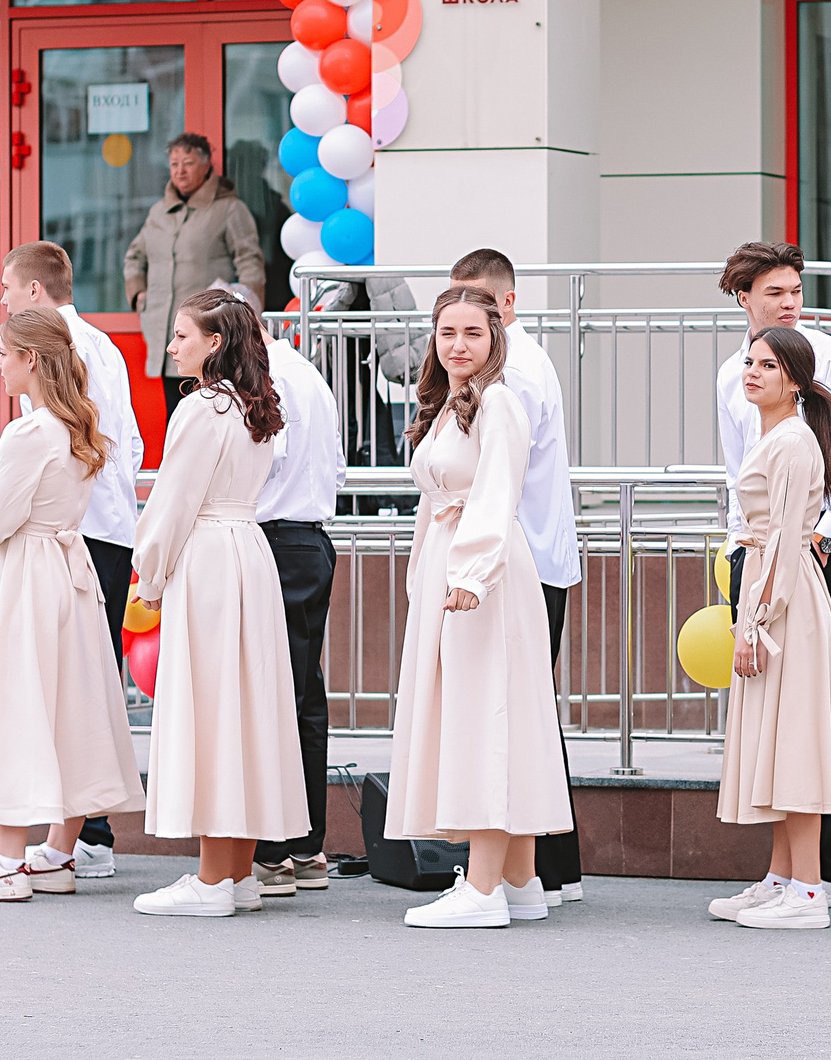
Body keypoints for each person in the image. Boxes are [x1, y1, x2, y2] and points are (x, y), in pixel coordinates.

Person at [0, 308, 146, 903]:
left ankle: (7, 863)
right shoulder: (81, 425)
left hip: (29, 572)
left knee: (18, 704)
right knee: (69, 708)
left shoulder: (29, 433)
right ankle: (57, 854)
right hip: (71, 573)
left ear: (31, 358)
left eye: (5, 352)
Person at [385, 287, 575, 929]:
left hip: (486, 577)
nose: (458, 345)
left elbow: (497, 492)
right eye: (447, 334)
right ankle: (520, 879)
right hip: (453, 564)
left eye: (472, 332)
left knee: (486, 712)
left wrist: (469, 573)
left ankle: (486, 886)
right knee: (487, 709)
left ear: (494, 336)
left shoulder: (499, 403)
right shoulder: (449, 406)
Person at [128, 289, 309, 918]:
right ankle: (235, 874)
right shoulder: (251, 404)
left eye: (181, 335)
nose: (171, 345)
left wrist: (146, 575)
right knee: (244, 709)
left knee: (211, 709)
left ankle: (212, 881)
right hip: (247, 553)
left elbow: (172, 500)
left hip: (207, 557)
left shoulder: (202, 408)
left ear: (214, 344)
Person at [714, 242, 831, 904]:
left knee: (802, 715)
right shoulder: (736, 374)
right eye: (775, 291)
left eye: (794, 290)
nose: (789, 302)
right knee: (771, 717)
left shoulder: (828, 362)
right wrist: (740, 553)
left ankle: (819, 875)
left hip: (810, 550)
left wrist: (820, 535)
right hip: (757, 552)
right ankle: (784, 873)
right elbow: (737, 473)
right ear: (744, 298)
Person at [0, 241, 144, 881]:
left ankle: (84, 832)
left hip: (74, 532)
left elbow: (56, 452)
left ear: (34, 291)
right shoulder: (103, 344)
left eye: (8, 286)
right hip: (105, 525)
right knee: (89, 676)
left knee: (73, 683)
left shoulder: (56, 351)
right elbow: (131, 441)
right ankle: (83, 828)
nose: (2, 298)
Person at [447, 248, 586, 902]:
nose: (462, 327)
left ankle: (537, 872)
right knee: (526, 710)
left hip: (516, 560)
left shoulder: (515, 374)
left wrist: (476, 567)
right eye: (452, 317)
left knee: (515, 714)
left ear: (507, 304)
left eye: (476, 313)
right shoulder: (506, 370)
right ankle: (539, 873)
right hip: (519, 555)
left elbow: (496, 475)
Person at [250, 319, 344, 896]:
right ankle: (306, 846)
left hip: (277, 540)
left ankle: (274, 850)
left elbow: (264, 461)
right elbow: (331, 465)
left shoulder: (267, 378)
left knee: (274, 694)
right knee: (305, 694)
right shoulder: (309, 374)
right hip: (311, 538)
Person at [124, 133, 265, 378]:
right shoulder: (159, 212)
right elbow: (134, 257)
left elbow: (249, 262)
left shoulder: (230, 209)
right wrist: (139, 296)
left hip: (208, 330)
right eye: (174, 164)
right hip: (162, 328)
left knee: (212, 403)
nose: (180, 171)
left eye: (188, 164)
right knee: (174, 408)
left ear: (206, 164)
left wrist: (246, 315)